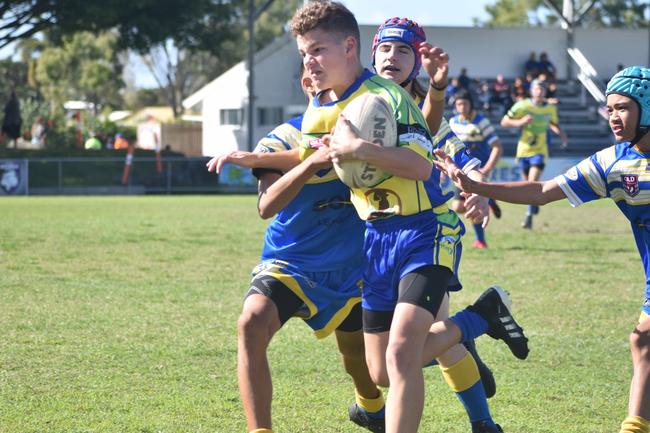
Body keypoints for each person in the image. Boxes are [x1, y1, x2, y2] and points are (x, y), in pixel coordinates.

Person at [291, 3, 529, 433]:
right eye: (387, 48)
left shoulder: (397, 99)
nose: (392, 57)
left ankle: (483, 421)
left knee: (405, 351)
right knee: (391, 364)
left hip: (427, 228)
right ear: (371, 50)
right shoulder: (333, 102)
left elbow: (446, 151)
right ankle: (479, 320)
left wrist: (476, 189)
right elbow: (314, 156)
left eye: (404, 51)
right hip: (376, 237)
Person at [435, 65, 650, 433]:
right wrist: (477, 186)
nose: (614, 117)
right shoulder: (614, 163)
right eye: (610, 108)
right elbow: (542, 191)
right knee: (643, 344)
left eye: (624, 108)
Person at [207, 67, 387, 433]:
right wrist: (310, 163)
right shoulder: (281, 138)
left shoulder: (369, 131)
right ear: (307, 85)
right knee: (252, 324)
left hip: (353, 267)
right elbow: (267, 206)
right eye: (313, 73)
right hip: (291, 262)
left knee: (359, 361)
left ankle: (371, 409)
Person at [500, 79, 568, 229]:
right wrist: (520, 122)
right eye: (537, 89)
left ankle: (528, 216)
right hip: (524, 150)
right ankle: (534, 204)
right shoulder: (522, 105)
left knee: (532, 181)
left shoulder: (550, 108)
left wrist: (562, 135)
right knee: (528, 185)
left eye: (542, 89)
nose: (539, 91)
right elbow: (504, 122)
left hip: (540, 150)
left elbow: (553, 123)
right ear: (531, 91)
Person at [449, 90, 504, 249]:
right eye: (459, 104)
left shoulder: (481, 122)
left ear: (471, 104)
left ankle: (480, 240)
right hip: (460, 171)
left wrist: (487, 169)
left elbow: (497, 147)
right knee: (458, 207)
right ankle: (490, 200)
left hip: (476, 172)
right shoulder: (452, 122)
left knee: (472, 203)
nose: (462, 107)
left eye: (465, 103)